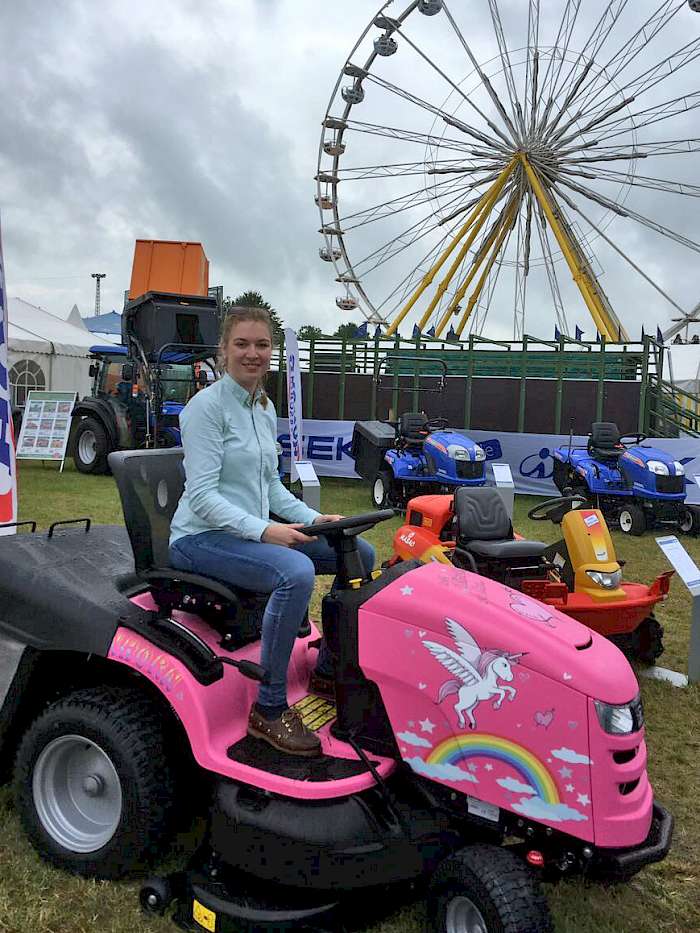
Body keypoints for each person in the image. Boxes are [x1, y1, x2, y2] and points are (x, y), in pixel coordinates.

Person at [169, 307, 375, 757]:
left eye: (262, 345)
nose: (253, 353)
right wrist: (266, 532)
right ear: (223, 351)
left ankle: (326, 669)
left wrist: (311, 519)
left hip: (245, 533)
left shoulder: (262, 408)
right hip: (199, 539)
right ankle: (269, 707)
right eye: (241, 344)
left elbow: (270, 488)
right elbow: (202, 497)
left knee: (359, 553)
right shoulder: (204, 409)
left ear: (271, 352)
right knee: (295, 573)